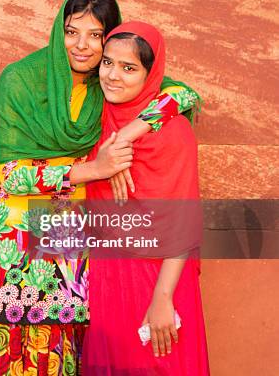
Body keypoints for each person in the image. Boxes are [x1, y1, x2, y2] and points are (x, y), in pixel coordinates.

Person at [0, 0, 201, 376]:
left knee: (60, 351)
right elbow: (12, 177)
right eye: (72, 32)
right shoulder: (21, 80)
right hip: (13, 235)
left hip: (69, 231)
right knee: (8, 349)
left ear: (109, 38)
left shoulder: (104, 81)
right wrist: (96, 168)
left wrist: (126, 136)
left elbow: (182, 94)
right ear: (59, 31)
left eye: (95, 34)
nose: (82, 46)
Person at [80, 21, 210, 375]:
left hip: (159, 277)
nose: (113, 76)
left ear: (151, 75)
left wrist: (163, 299)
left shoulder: (173, 133)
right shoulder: (94, 119)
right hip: (108, 277)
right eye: (107, 62)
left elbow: (183, 221)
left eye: (129, 68)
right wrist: (107, 160)